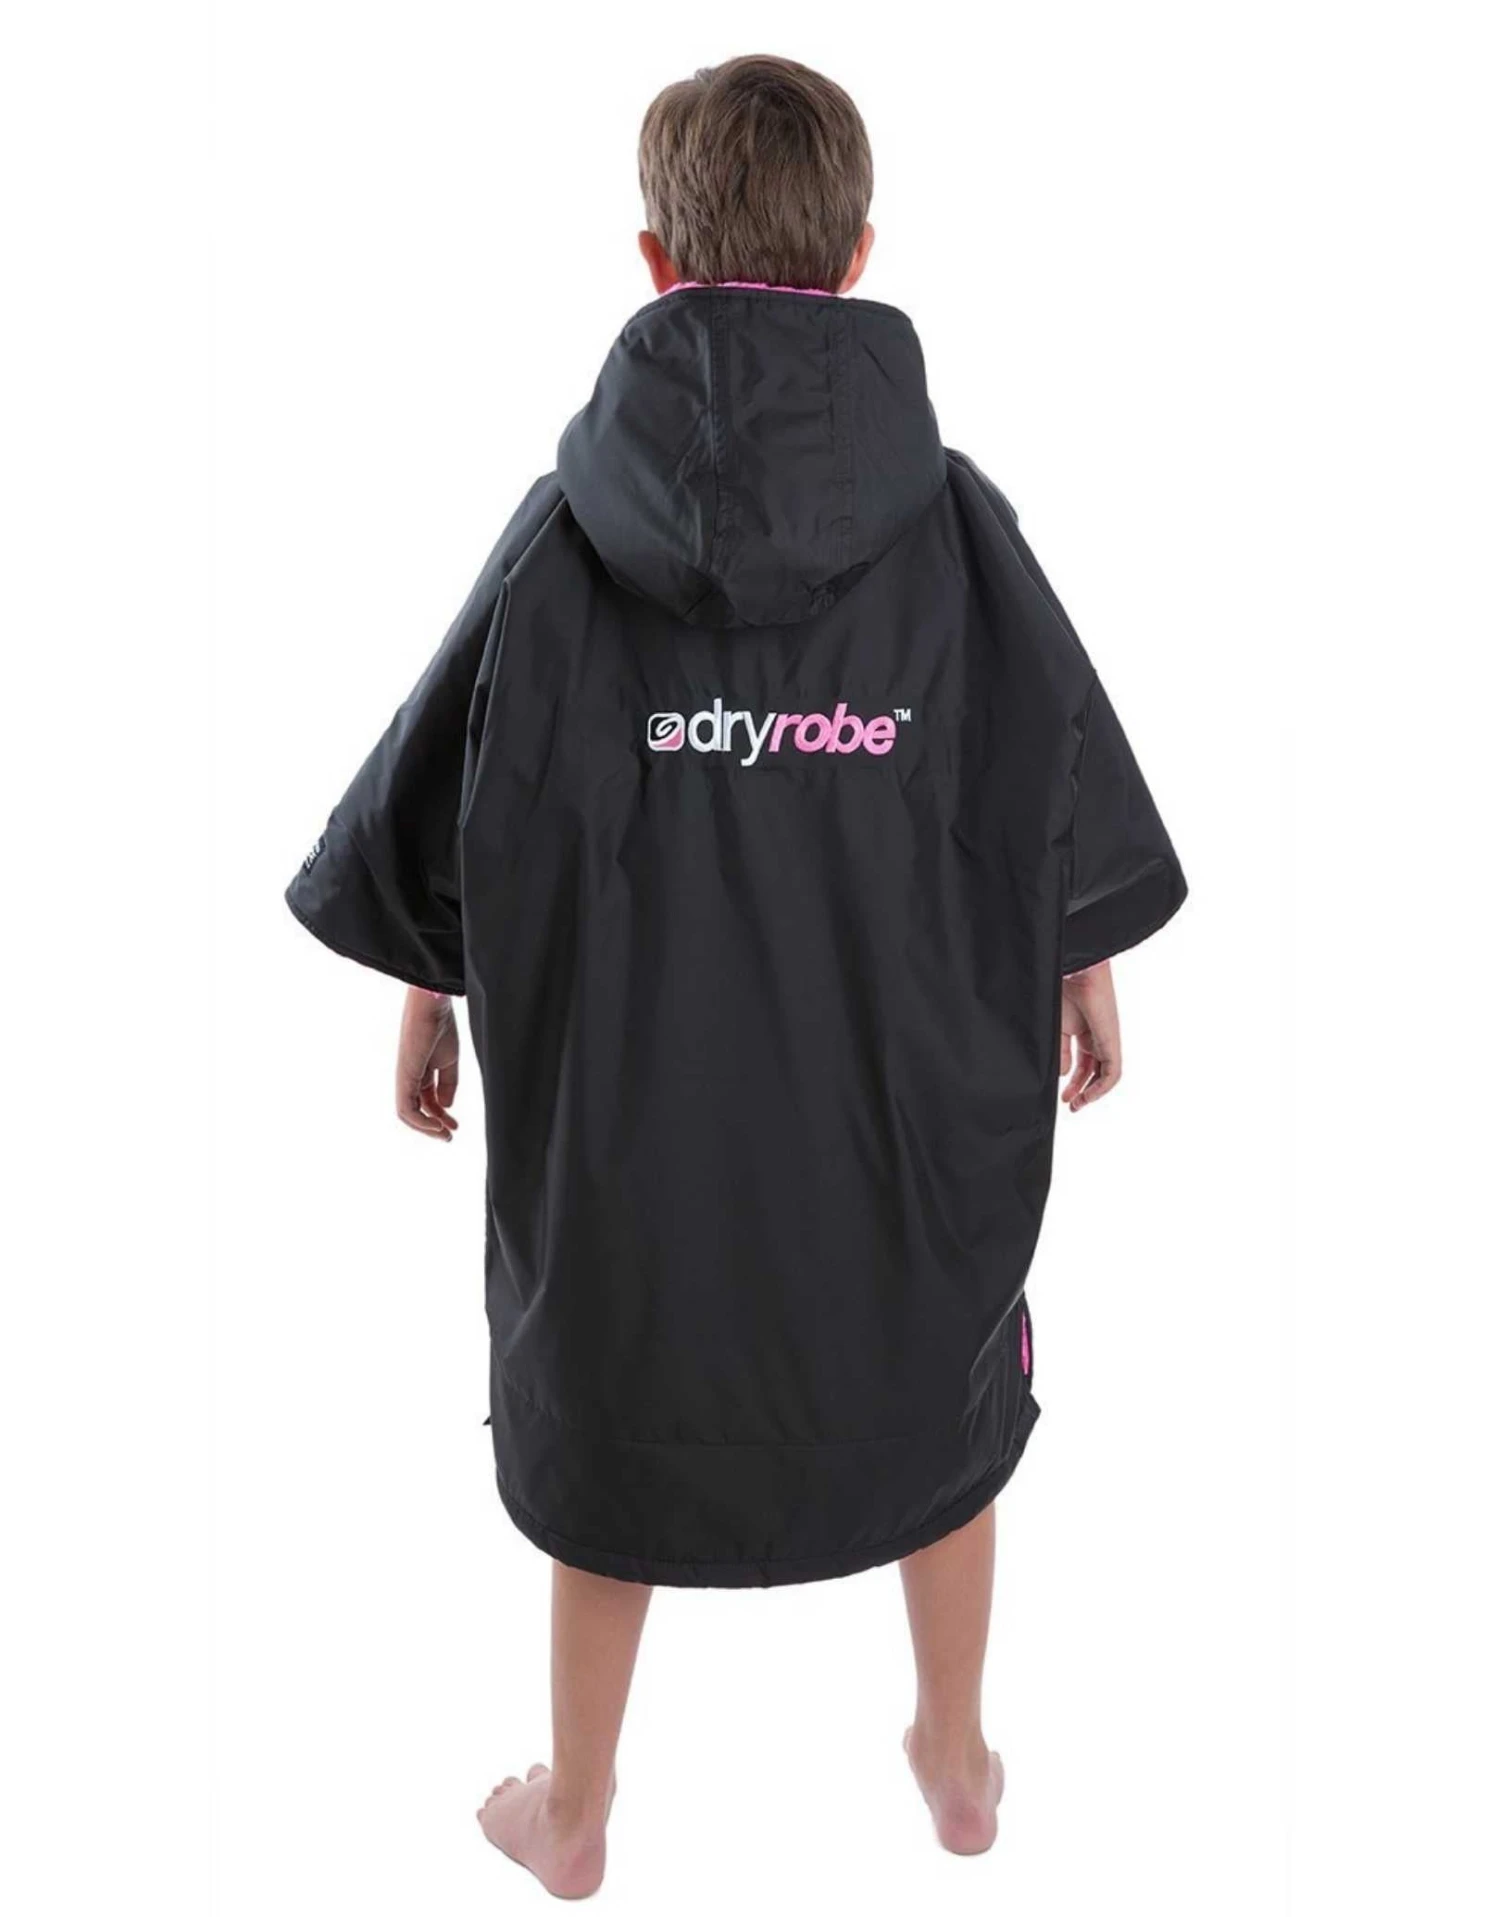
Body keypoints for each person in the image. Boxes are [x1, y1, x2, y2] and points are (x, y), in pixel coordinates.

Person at [286, 52, 1186, 1898]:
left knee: (612, 1388)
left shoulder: (562, 541)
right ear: (860, 257)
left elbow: (453, 787)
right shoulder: (956, 528)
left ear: (652, 260)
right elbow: (1057, 763)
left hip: (638, 1121)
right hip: (898, 1106)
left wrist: (425, 978)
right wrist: (1085, 947)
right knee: (937, 1374)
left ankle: (579, 1808)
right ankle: (955, 1759)